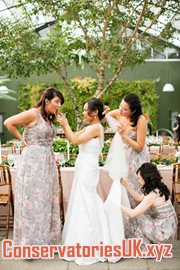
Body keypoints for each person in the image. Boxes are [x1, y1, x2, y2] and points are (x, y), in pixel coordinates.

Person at [4, 87, 64, 246]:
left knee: (45, 200)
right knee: (32, 200)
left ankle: (45, 239)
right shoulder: (33, 113)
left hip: (47, 163)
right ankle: (29, 242)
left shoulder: (50, 117)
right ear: (46, 100)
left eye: (60, 103)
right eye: (57, 102)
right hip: (32, 163)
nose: (59, 105)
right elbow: (8, 123)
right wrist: (21, 140)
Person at [57, 98, 111, 265]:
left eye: (85, 109)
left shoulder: (95, 128)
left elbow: (74, 141)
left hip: (88, 169)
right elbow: (72, 136)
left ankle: (91, 241)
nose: (83, 112)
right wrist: (64, 125)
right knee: (83, 200)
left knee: (87, 200)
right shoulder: (92, 127)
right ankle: (83, 239)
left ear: (94, 113)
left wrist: (65, 124)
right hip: (84, 167)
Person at [106, 93, 150, 207]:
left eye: (125, 109)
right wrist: (104, 111)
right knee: (121, 185)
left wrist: (123, 135)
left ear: (133, 111)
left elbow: (140, 147)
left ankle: (136, 214)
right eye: (120, 106)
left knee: (134, 187)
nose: (121, 110)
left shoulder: (141, 120)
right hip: (123, 157)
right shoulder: (119, 113)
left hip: (136, 159)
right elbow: (104, 117)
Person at [120, 162, 177, 247]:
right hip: (168, 229)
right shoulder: (158, 188)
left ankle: (144, 244)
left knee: (136, 216)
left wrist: (117, 205)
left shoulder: (152, 195)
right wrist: (126, 185)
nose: (138, 181)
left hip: (163, 234)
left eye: (139, 178)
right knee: (140, 213)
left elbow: (133, 214)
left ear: (145, 178)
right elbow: (139, 198)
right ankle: (143, 241)